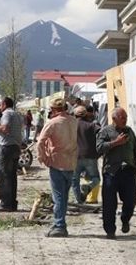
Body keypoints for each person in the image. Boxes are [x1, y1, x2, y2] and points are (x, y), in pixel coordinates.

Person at [96, 107, 136, 239]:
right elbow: (99, 148)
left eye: (126, 117)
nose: (125, 120)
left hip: (128, 171)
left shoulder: (129, 131)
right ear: (114, 119)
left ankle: (125, 219)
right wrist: (115, 143)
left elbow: (135, 149)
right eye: (122, 118)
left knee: (131, 200)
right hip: (111, 172)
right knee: (109, 203)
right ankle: (110, 230)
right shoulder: (105, 131)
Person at [36, 99, 78, 237]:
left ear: (53, 110)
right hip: (71, 163)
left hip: (57, 162)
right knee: (64, 197)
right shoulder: (73, 121)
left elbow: (40, 142)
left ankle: (59, 225)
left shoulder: (52, 123)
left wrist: (43, 158)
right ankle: (60, 223)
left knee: (58, 196)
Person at [0, 97, 23, 212]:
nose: (0, 107)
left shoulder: (6, 114)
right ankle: (12, 203)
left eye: (1, 105)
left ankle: (5, 203)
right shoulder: (16, 114)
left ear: (5, 104)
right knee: (12, 176)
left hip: (7, 147)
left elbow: (5, 128)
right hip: (15, 146)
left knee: (4, 175)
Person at [72, 105, 101, 207]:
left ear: (75, 115)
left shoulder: (71, 126)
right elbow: (101, 133)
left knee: (74, 180)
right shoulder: (91, 125)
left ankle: (79, 201)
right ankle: (89, 187)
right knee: (96, 178)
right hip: (90, 156)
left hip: (75, 156)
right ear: (86, 115)